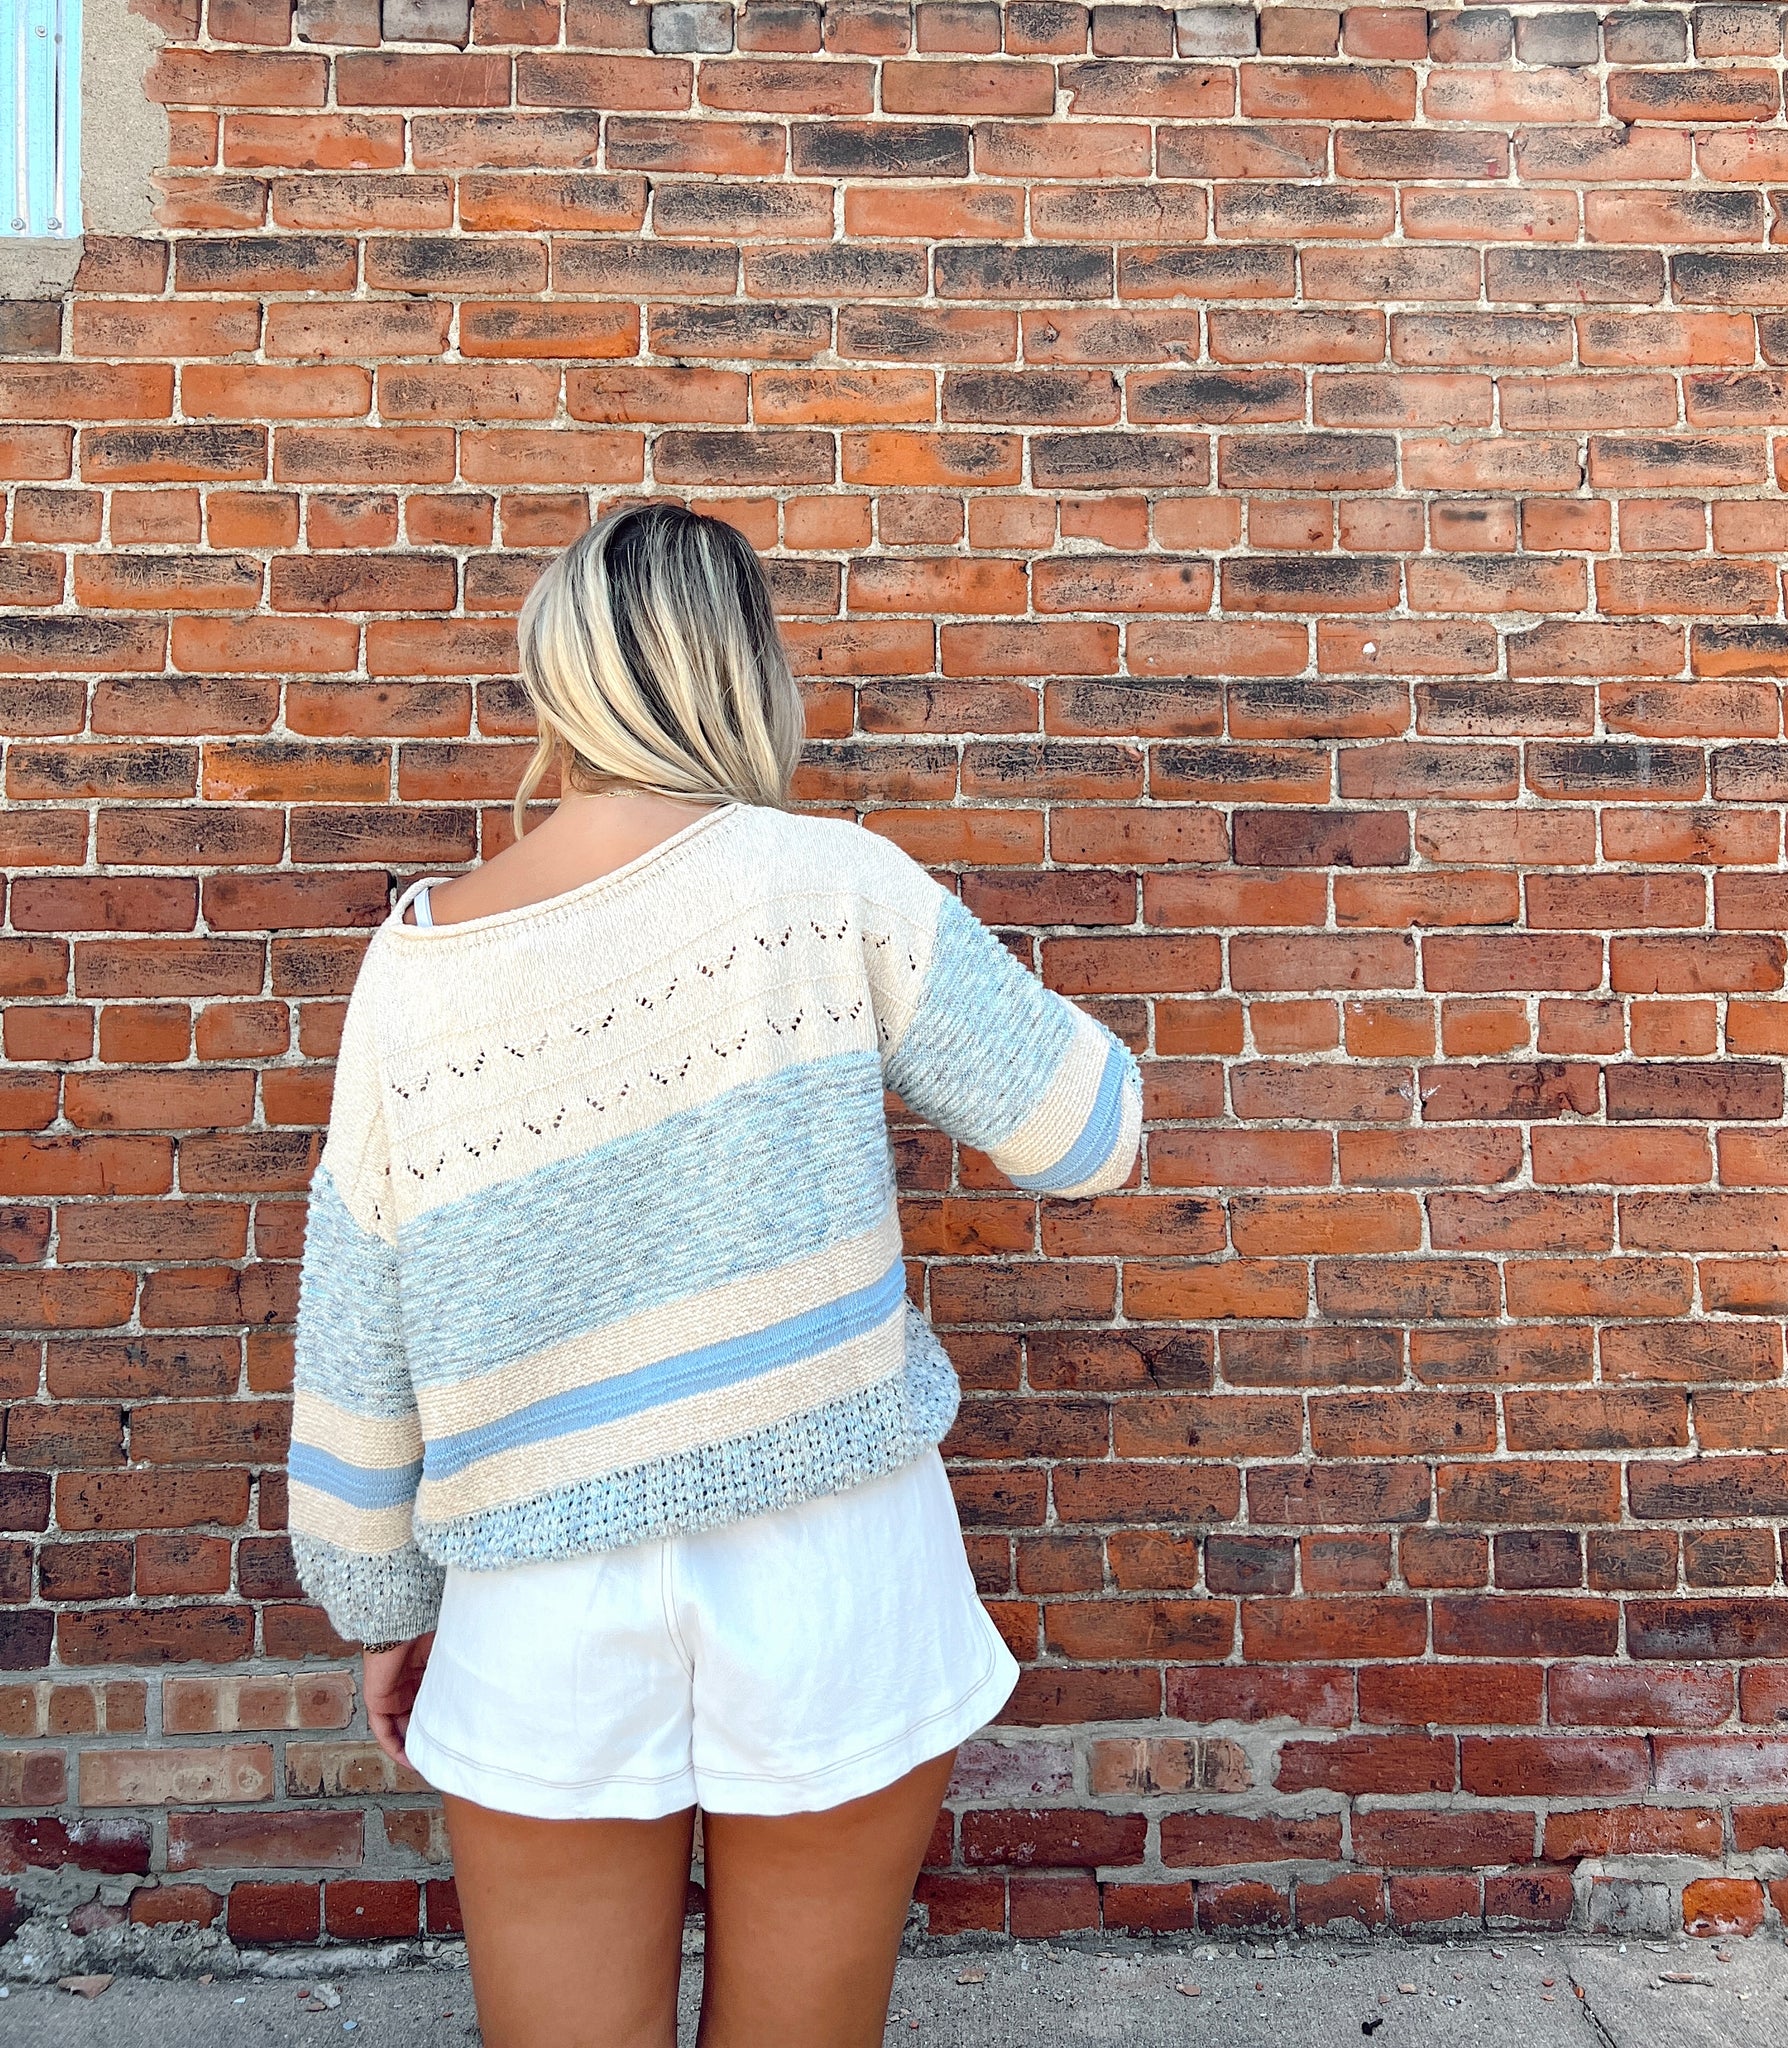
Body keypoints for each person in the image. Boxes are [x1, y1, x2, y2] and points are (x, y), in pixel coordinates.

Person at [285, 501, 1144, 2048]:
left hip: (539, 1585)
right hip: (833, 1563)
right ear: (748, 676)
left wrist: (381, 1608)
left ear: (557, 684)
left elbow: (357, 1329)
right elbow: (1088, 1133)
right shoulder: (830, 884)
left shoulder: (417, 967)